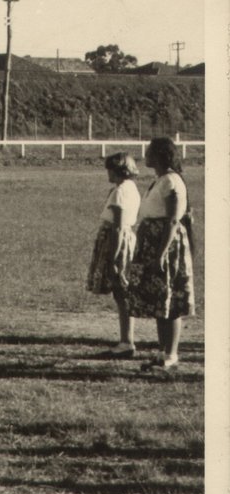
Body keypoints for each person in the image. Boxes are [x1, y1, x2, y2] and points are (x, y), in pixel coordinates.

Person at [127, 137, 195, 373]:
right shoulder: (160, 180)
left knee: (170, 300)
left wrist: (160, 255)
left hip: (164, 245)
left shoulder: (172, 182)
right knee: (160, 301)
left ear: (160, 155)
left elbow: (173, 220)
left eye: (149, 152)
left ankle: (171, 354)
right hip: (152, 242)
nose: (145, 156)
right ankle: (163, 352)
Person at [86, 152, 141, 357]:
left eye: (109, 169)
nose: (107, 173)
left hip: (116, 240)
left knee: (121, 291)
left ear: (118, 170)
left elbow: (118, 227)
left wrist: (114, 257)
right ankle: (126, 339)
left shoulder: (120, 191)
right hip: (122, 238)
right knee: (121, 292)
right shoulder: (130, 188)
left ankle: (127, 341)